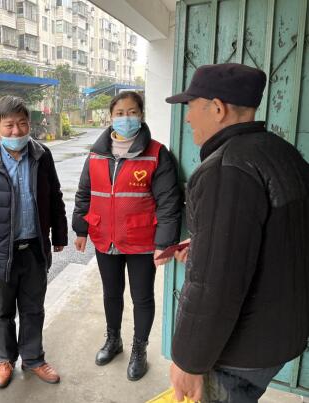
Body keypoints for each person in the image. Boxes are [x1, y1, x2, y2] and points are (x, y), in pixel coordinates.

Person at [166, 63, 309, 403]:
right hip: (282, 335)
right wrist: (204, 243)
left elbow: (214, 283)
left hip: (239, 351)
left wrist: (188, 360)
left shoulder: (225, 169)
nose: (188, 118)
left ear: (217, 108)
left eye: (191, 106)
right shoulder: (282, 152)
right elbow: (275, 237)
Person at [0, 96, 68, 389]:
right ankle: (4, 359)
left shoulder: (42, 155)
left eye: (22, 124)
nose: (17, 131)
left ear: (29, 124)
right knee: (2, 311)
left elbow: (54, 196)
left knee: (33, 308)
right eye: (9, 125)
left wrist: (59, 234)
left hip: (34, 247)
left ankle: (33, 358)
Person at [73, 91, 182, 380]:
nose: (126, 118)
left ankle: (139, 349)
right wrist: (81, 229)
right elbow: (84, 193)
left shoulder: (156, 154)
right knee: (111, 294)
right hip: (104, 238)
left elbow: (169, 202)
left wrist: (164, 243)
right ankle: (114, 340)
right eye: (120, 113)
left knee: (142, 297)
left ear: (141, 115)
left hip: (142, 241)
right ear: (111, 117)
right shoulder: (96, 154)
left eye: (132, 112)